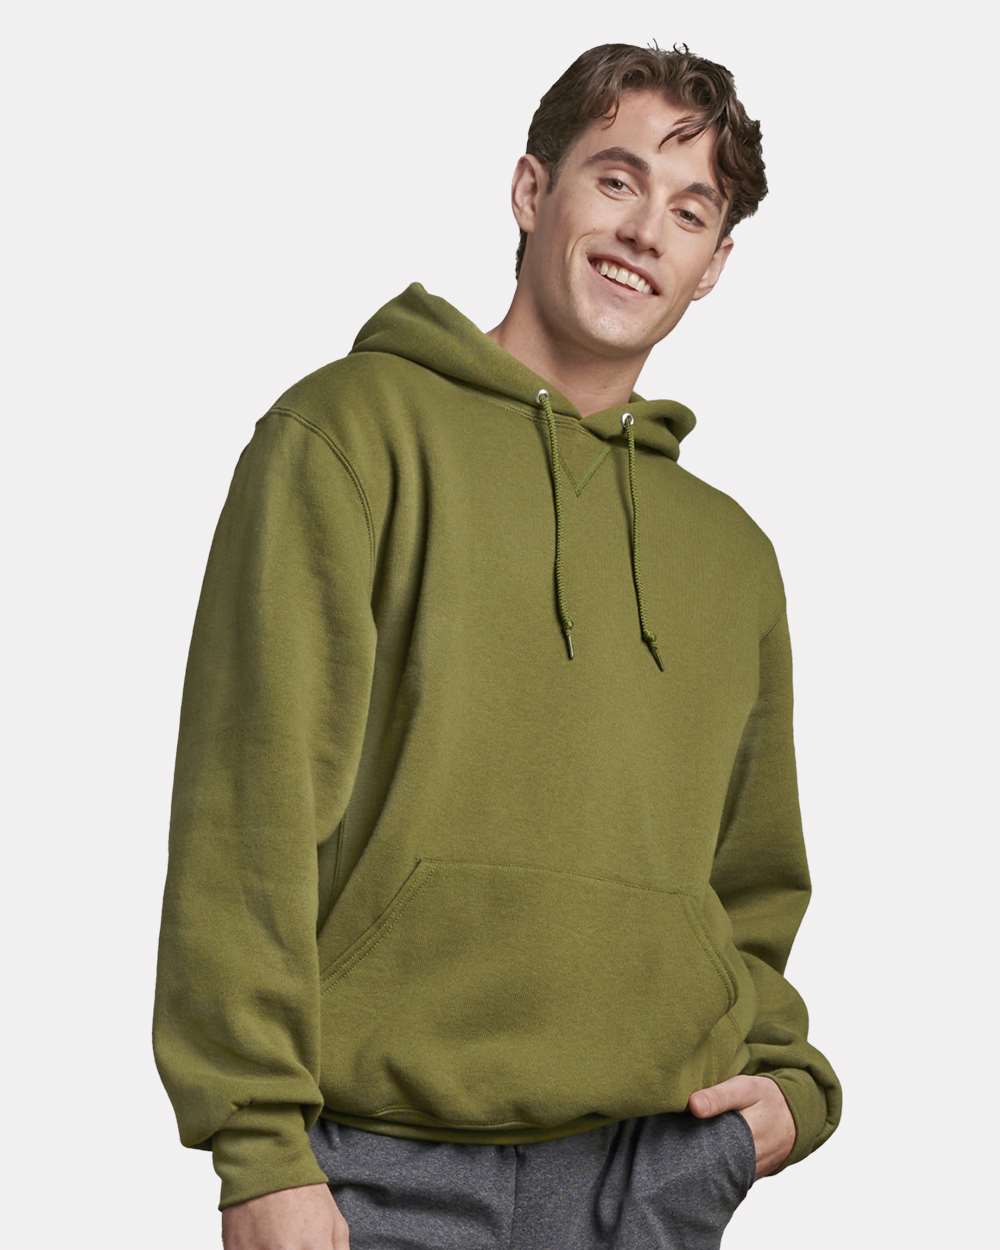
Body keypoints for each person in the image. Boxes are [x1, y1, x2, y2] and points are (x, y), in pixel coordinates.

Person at [152, 39, 843, 1250]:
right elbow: (249, 812)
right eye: (616, 179)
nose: (644, 232)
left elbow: (754, 873)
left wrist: (785, 1081)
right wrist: (255, 1142)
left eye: (689, 212)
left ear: (714, 265)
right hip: (373, 1165)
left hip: (651, 1164)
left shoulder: (730, 553)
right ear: (532, 190)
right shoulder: (349, 435)